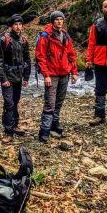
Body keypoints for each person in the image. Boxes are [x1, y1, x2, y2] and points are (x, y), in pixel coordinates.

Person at [36, 11, 78, 143]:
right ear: (52, 21)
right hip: (52, 75)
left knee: (59, 101)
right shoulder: (45, 36)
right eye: (57, 19)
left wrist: (74, 72)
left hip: (64, 73)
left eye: (61, 19)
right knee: (50, 103)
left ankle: (55, 124)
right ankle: (44, 131)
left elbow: (71, 54)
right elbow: (40, 57)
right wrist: (46, 75)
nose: (60, 21)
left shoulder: (65, 35)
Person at [0, 14, 31, 143]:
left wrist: (26, 76)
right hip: (7, 77)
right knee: (9, 103)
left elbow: (27, 59)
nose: (18, 26)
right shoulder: (4, 40)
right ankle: (8, 131)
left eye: (20, 24)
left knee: (15, 101)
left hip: (19, 77)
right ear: (11, 26)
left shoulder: (24, 40)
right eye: (15, 24)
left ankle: (15, 125)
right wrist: (3, 79)